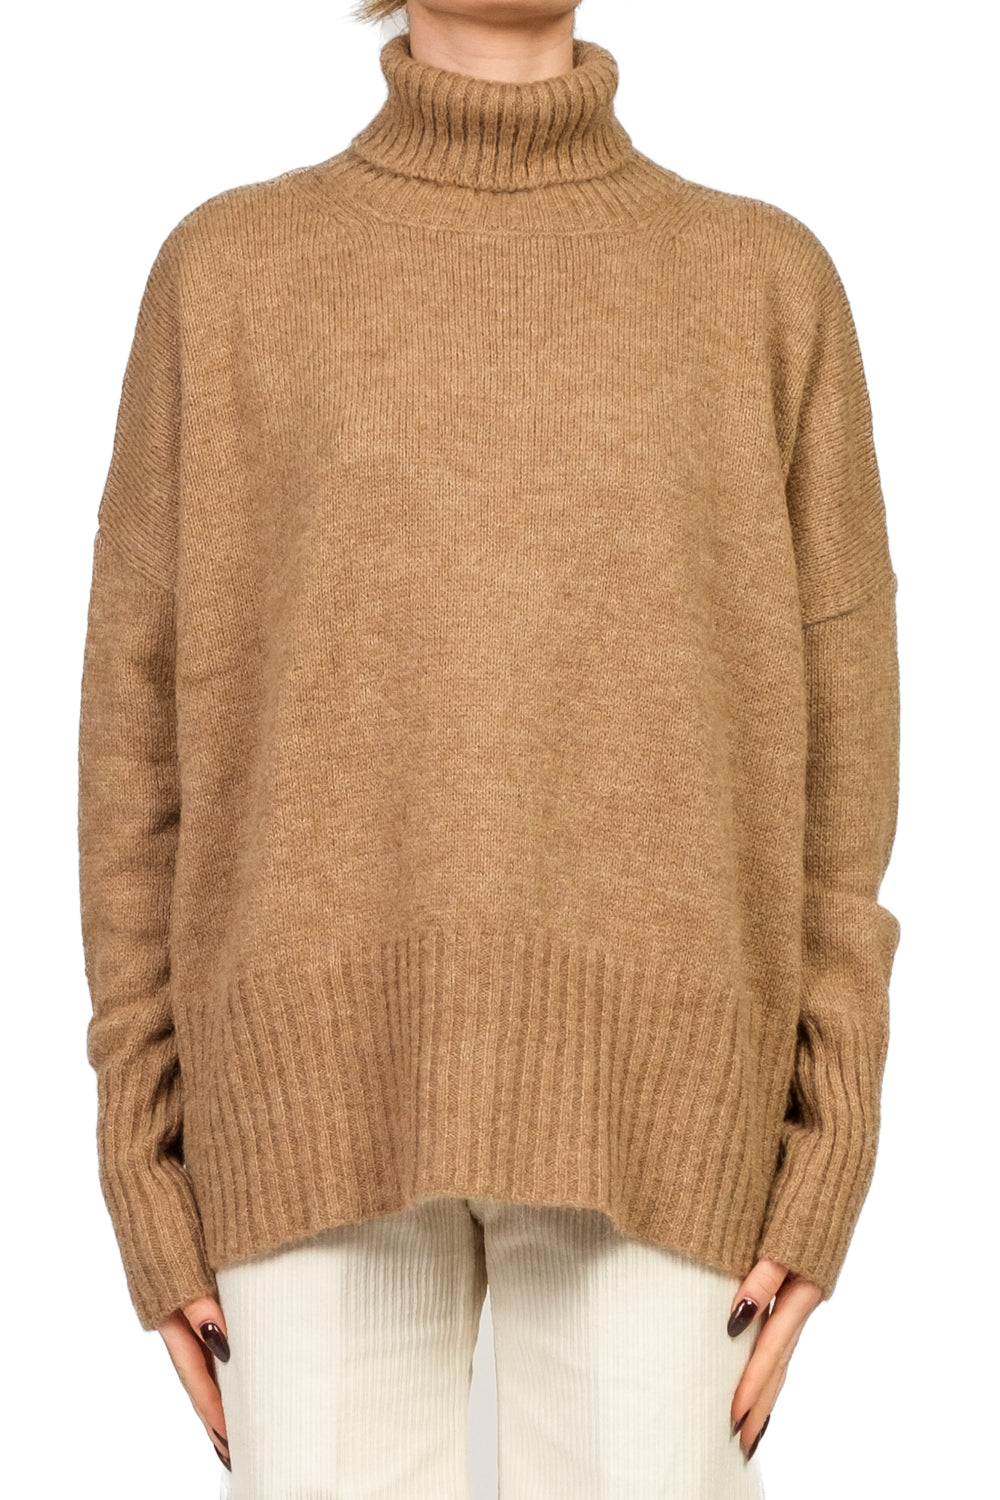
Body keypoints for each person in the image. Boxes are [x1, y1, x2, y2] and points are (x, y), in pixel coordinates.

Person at [76, 0, 901, 1494]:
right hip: (299, 1108)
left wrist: (829, 1138)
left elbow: (846, 766)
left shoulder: (765, 282)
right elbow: (136, 744)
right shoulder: (228, 272)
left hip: (671, 1111)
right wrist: (142, 1153)